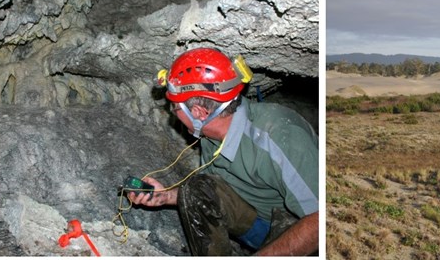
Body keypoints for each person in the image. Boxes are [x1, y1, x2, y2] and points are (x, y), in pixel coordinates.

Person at [129, 47, 318, 256]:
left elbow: (320, 221)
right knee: (195, 189)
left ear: (199, 112)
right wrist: (165, 197)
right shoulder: (209, 135)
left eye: (175, 108)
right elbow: (210, 194)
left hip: (294, 232)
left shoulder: (281, 136)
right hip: (255, 222)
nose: (173, 114)